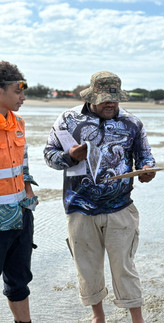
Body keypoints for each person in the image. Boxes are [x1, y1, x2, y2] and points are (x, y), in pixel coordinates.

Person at [43, 71, 156, 323]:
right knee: (87, 268)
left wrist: (147, 169)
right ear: (92, 96)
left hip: (120, 208)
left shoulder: (132, 123)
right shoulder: (68, 119)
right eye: (104, 99)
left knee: (125, 268)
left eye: (114, 99)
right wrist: (70, 156)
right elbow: (49, 154)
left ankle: (137, 319)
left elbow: (145, 155)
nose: (110, 104)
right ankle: (98, 317)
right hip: (79, 208)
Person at [0, 61, 38, 323]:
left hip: (20, 215)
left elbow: (23, 166)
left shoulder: (19, 123)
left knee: (19, 279)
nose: (23, 98)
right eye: (17, 91)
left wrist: (28, 201)